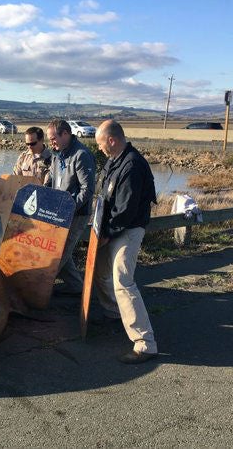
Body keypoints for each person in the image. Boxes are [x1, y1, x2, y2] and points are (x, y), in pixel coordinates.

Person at [92, 119, 158, 364]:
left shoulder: (132, 165)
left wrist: (106, 233)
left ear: (112, 140)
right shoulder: (114, 160)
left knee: (122, 279)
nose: (99, 149)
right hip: (111, 228)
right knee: (99, 271)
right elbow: (104, 197)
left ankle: (145, 343)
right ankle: (112, 313)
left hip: (128, 229)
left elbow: (126, 210)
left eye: (100, 144)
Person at [45, 119, 96, 295]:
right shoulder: (57, 154)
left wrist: (68, 208)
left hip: (77, 214)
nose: (51, 143)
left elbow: (87, 189)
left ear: (65, 134)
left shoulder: (81, 155)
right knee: (61, 253)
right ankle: (80, 291)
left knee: (58, 255)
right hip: (57, 213)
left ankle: (38, 291)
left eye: (53, 139)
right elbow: (51, 178)